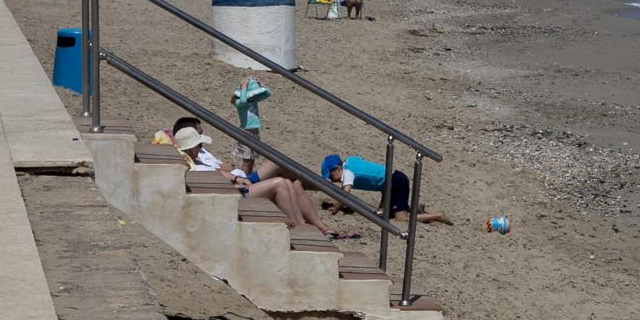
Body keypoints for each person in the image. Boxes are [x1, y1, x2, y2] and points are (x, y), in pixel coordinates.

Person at [172, 125, 348, 239]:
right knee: (280, 183)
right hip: (232, 195)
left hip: (235, 187)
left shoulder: (194, 160)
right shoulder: (190, 165)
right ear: (190, 146)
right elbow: (214, 179)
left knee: (287, 182)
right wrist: (235, 178)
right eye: (199, 145)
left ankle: (301, 227)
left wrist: (234, 177)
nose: (201, 148)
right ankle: (299, 231)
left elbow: (218, 174)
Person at [320, 153, 450, 224]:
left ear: (337, 169)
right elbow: (360, 160)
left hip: (395, 181)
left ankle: (437, 216)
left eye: (331, 177)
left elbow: (345, 194)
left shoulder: (347, 172)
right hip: (388, 183)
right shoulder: (350, 161)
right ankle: (414, 209)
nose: (333, 181)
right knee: (381, 215)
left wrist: (335, 209)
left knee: (401, 218)